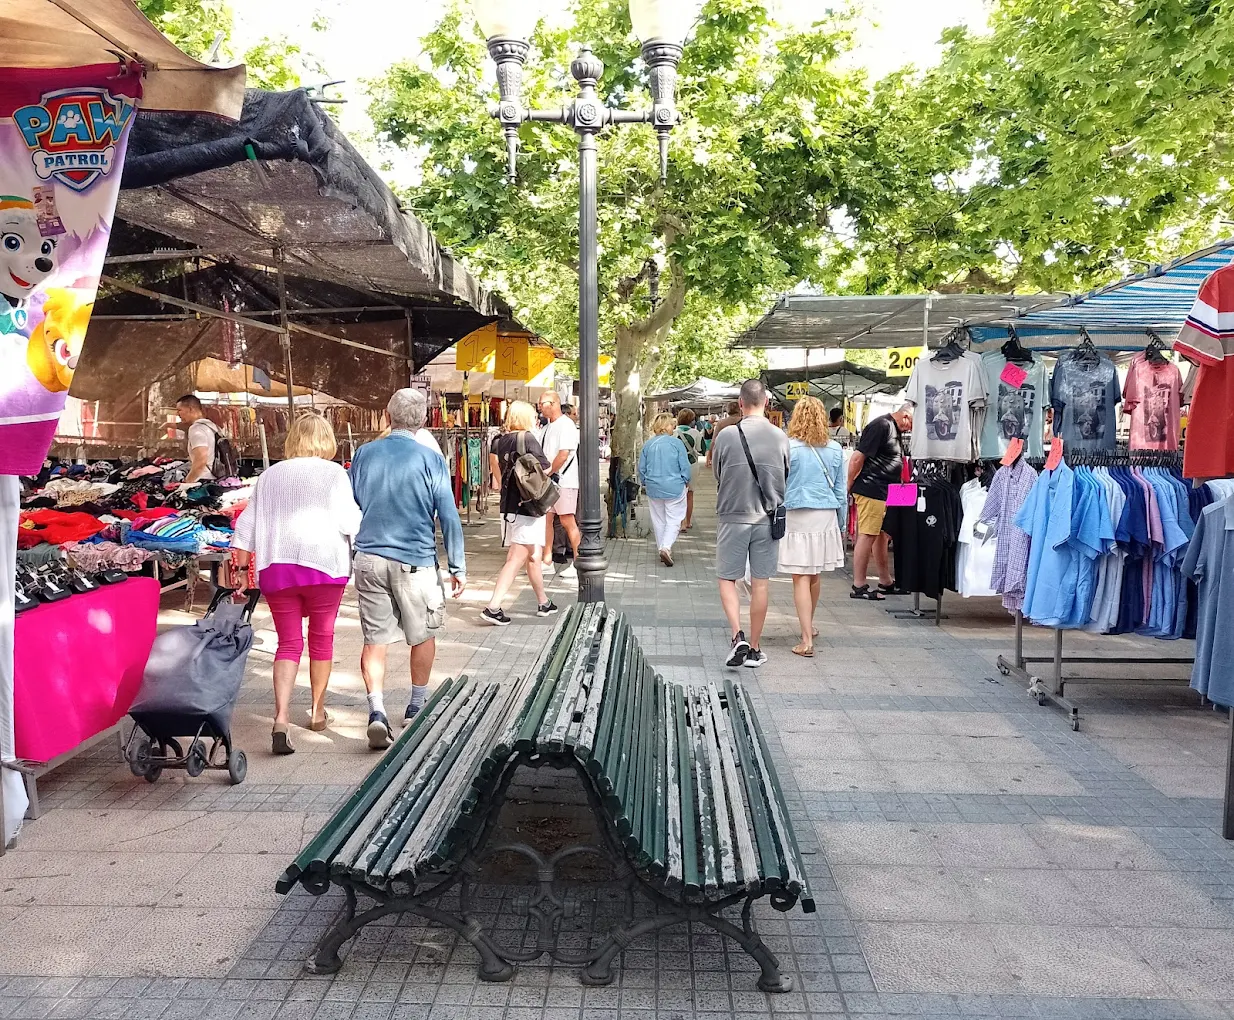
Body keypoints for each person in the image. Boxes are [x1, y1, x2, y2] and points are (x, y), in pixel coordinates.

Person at [232, 414, 361, 754]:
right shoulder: (334, 474)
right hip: (324, 569)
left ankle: (281, 717)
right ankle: (318, 713)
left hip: (278, 568)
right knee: (322, 638)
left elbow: (247, 523)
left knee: (288, 643)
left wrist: (241, 568)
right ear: (326, 439)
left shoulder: (270, 475)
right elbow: (349, 521)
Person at [350, 389, 466, 749]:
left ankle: (377, 711)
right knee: (424, 633)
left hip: (369, 557)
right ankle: (416, 705)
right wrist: (457, 564)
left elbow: (353, 502)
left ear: (388, 416)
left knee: (375, 639)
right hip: (414, 559)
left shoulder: (364, 454)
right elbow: (447, 514)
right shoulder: (431, 458)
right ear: (424, 420)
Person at [710, 379, 790, 669]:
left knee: (726, 578)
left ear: (740, 403)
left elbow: (718, 473)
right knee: (761, 583)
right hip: (767, 518)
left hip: (733, 515)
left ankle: (737, 635)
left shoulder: (728, 435)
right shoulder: (780, 436)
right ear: (766, 403)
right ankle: (755, 648)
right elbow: (785, 476)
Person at [779, 396, 846, 657]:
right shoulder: (835, 449)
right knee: (815, 574)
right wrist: (840, 523)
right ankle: (810, 624)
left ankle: (806, 639)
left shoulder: (787, 447)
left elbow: (779, 484)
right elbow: (841, 489)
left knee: (800, 576)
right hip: (825, 515)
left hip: (797, 515)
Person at [482, 401, 557, 625]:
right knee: (516, 558)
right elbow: (544, 467)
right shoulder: (528, 438)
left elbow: (497, 467)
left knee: (532, 555)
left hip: (509, 506)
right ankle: (493, 606)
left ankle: (543, 602)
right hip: (528, 505)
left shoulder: (500, 440)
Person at [847, 403, 913, 600]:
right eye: (911, 425)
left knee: (882, 535)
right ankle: (859, 584)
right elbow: (857, 458)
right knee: (867, 534)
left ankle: (886, 581)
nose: (910, 430)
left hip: (888, 489)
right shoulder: (881, 426)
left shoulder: (892, 428)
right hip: (872, 488)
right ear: (906, 417)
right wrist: (849, 485)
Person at [638, 412, 692, 566]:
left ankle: (662, 547)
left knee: (659, 519)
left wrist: (645, 482)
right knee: (674, 518)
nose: (673, 427)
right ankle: (666, 547)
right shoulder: (676, 443)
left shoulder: (648, 445)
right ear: (666, 426)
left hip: (653, 487)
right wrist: (685, 479)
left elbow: (642, 468)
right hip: (674, 485)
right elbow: (685, 465)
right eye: (671, 425)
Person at [538, 390, 581, 572]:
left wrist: (549, 471)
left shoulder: (566, 425)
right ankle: (547, 558)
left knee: (567, 519)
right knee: (547, 518)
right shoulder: (547, 427)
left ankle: (578, 561)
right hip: (551, 480)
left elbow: (564, 454)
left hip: (564, 480)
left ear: (554, 404)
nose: (540, 407)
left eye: (542, 403)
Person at [176, 394, 222, 484]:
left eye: (179, 410)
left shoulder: (196, 429)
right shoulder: (212, 426)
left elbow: (201, 460)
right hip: (217, 478)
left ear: (190, 409)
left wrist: (187, 482)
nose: (178, 414)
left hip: (203, 480)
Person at [674, 408, 703, 531]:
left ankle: (679, 522)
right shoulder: (695, 433)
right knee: (689, 494)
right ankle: (687, 522)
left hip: (675, 466)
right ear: (691, 420)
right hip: (691, 465)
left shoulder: (673, 433)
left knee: (677, 495)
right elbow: (700, 449)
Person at [705, 400, 742, 467]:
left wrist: (710, 455)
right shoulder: (745, 421)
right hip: (742, 453)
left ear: (728, 410)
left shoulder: (721, 423)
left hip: (725, 453)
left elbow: (714, 441)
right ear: (739, 409)